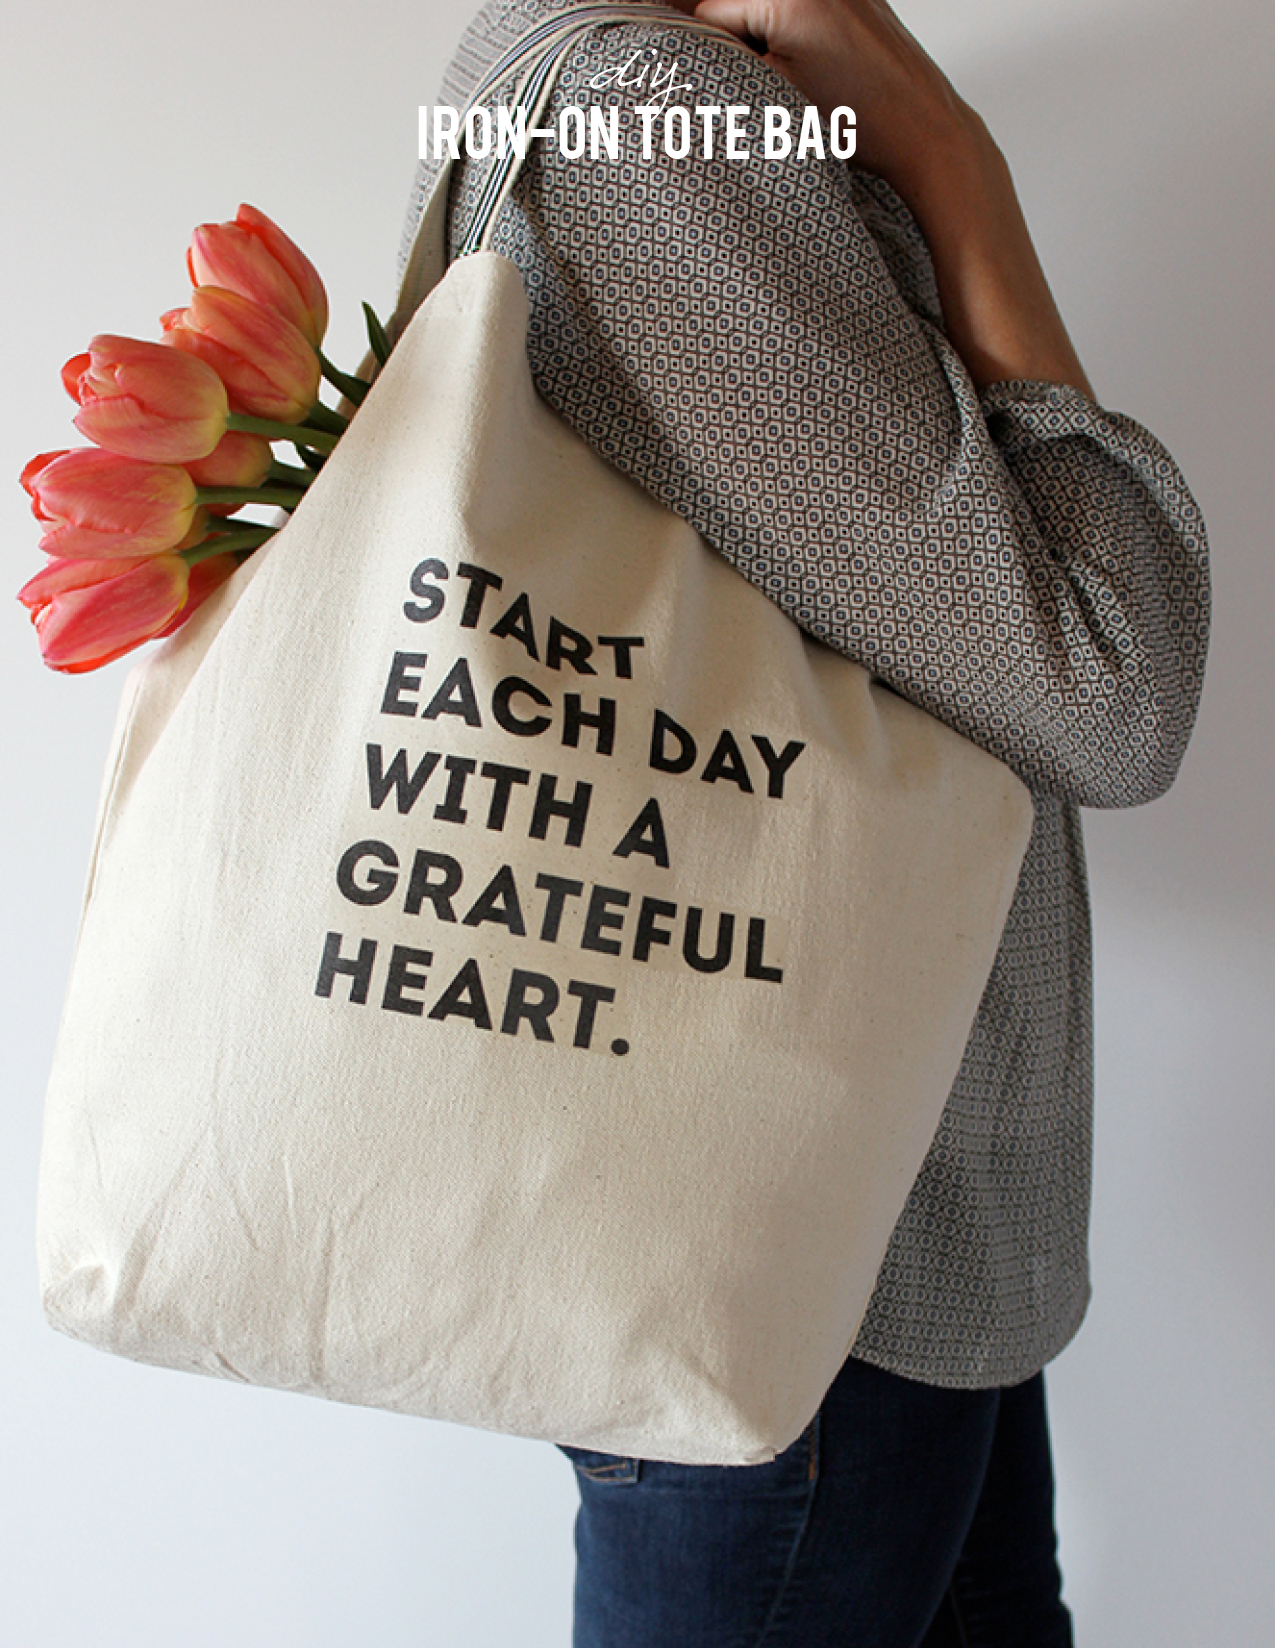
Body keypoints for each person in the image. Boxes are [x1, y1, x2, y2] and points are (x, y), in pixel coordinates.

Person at [404, 0, 1210, 1642]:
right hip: (820, 1262)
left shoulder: (621, 74)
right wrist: (955, 164)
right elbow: (1111, 689)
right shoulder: (646, 113)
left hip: (879, 1219)